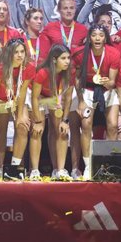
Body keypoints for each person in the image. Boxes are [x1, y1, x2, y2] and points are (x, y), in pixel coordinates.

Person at [0, 39, 36, 178]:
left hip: (14, 99)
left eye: (22, 52)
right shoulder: (0, 67)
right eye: (16, 52)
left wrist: (20, 115)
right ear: (9, 54)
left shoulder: (29, 67)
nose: (19, 55)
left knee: (23, 125)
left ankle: (13, 168)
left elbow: (23, 92)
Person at [73, 25, 121, 178]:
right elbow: (77, 79)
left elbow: (113, 82)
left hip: (107, 91)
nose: (98, 38)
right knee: (86, 125)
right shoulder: (81, 53)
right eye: (94, 35)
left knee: (113, 126)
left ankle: (109, 163)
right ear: (90, 38)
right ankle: (88, 166)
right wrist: (80, 100)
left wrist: (108, 83)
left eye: (101, 35)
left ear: (105, 38)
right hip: (87, 90)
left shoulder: (113, 53)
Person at [28, 45, 73, 180]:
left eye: (68, 58)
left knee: (61, 130)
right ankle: (34, 171)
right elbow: (35, 97)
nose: (67, 61)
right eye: (63, 58)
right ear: (54, 60)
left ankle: (59, 170)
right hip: (39, 98)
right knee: (38, 130)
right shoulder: (43, 72)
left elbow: (68, 99)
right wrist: (37, 121)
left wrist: (65, 121)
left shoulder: (69, 73)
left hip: (54, 98)